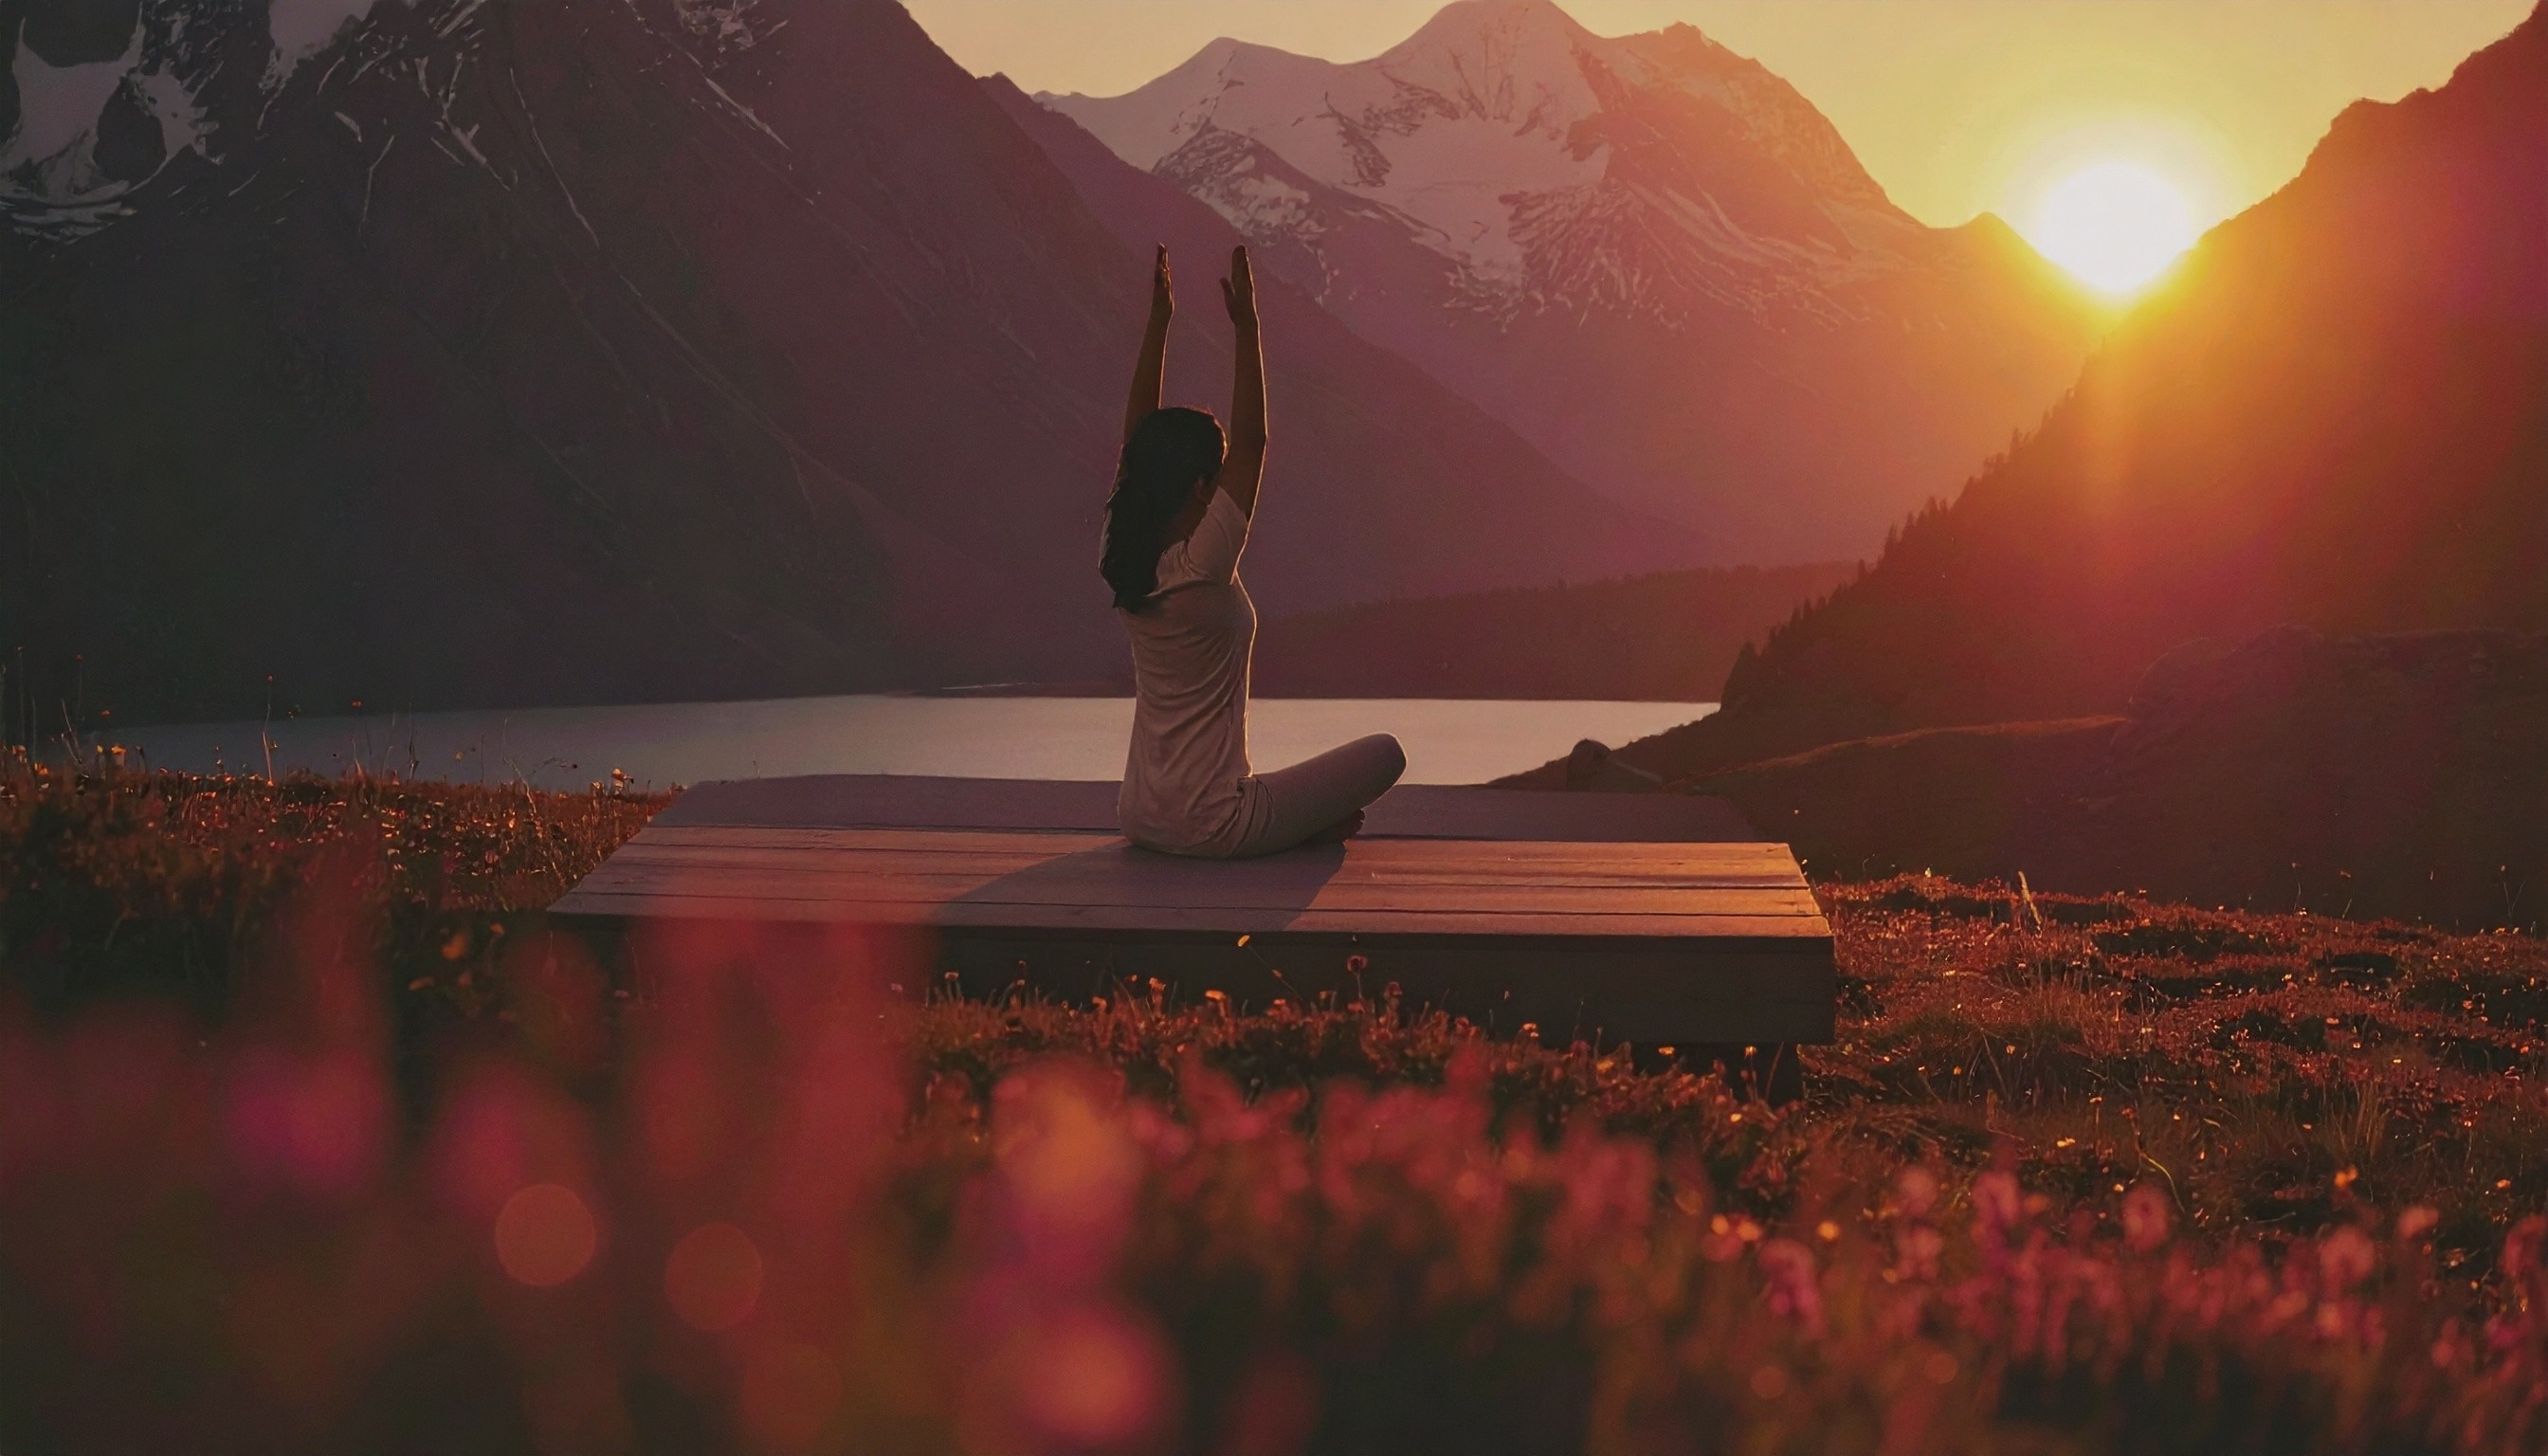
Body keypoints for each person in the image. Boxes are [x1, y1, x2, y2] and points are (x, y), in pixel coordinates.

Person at [1103, 245, 1404, 858]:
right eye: (1215, 477)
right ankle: (1289, 832)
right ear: (1199, 487)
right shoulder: (1203, 566)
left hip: (1140, 814)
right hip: (1214, 826)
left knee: (1300, 794)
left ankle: (1297, 826)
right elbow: (1253, 442)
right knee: (1387, 755)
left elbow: (1136, 443)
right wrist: (1248, 328)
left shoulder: (1125, 551)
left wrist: (1160, 323)